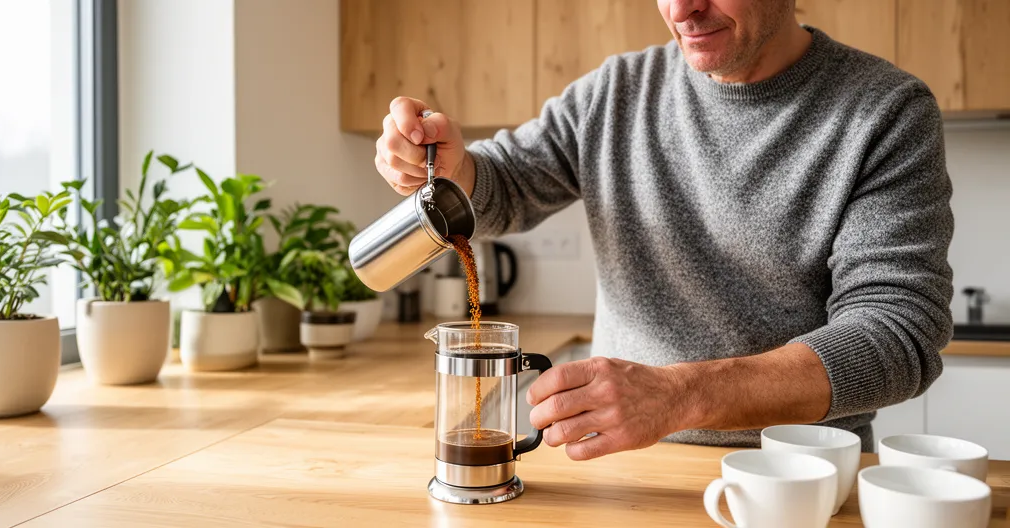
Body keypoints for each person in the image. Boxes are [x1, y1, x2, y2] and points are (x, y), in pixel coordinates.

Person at [374, 0, 953, 459]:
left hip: (798, 473)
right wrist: (452, 167)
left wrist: (679, 396)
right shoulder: (615, 91)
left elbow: (897, 335)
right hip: (621, 468)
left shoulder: (885, 111)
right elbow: (505, 185)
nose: (681, 9)